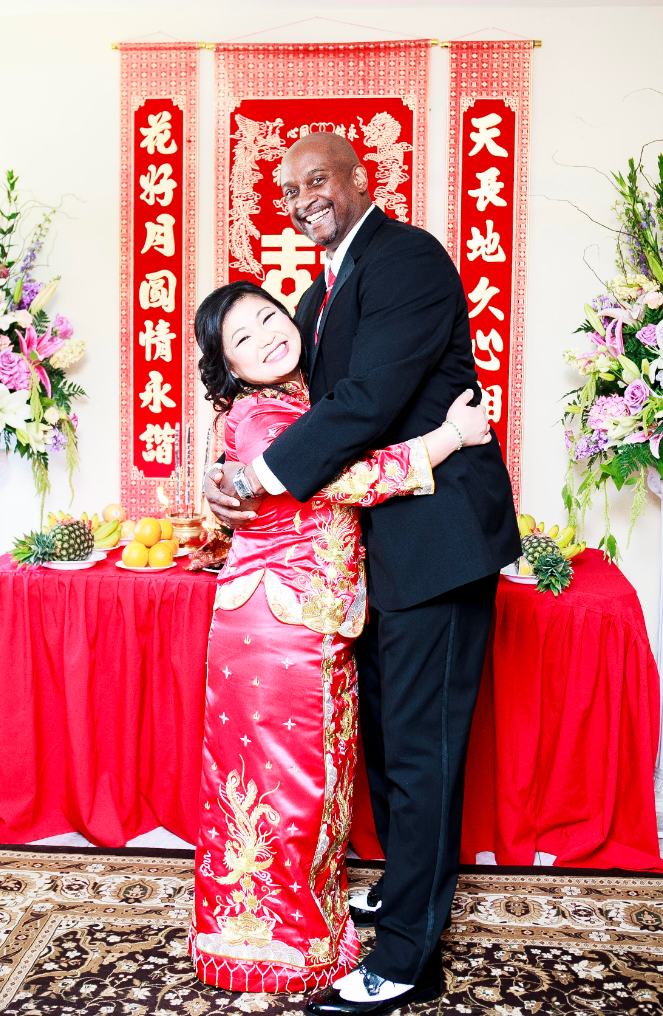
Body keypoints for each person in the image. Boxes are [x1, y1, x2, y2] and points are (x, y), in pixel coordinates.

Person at [205, 133, 521, 1015]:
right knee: (387, 733)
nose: (305, 197)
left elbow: (366, 403)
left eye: (319, 180)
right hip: (375, 550)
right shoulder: (317, 292)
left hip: (438, 537)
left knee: (422, 750)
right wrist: (218, 465)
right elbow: (270, 395)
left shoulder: (406, 258)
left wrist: (256, 480)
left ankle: (409, 955)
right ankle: (401, 888)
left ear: (358, 180)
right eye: (290, 189)